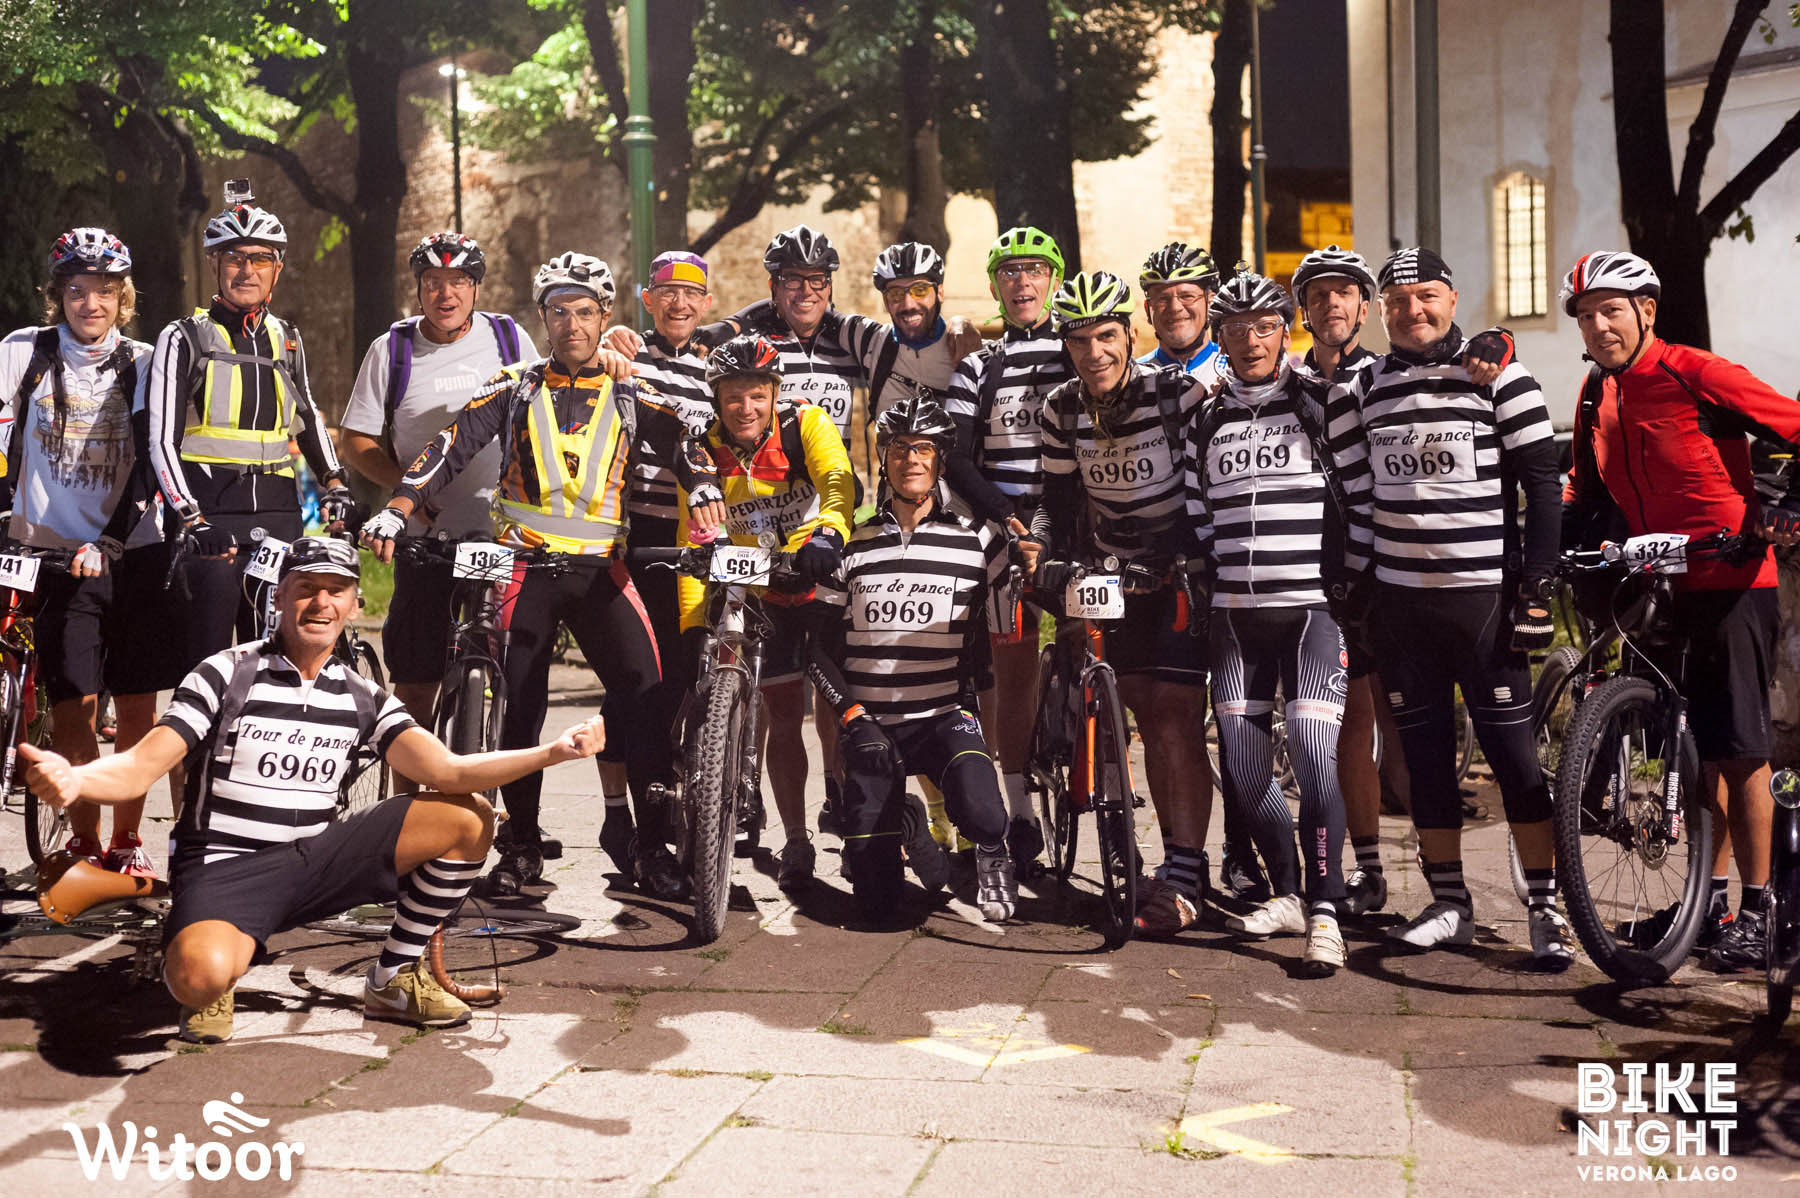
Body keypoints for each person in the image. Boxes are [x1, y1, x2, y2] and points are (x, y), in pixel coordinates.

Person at [21, 536, 605, 1042]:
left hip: (318, 860)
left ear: (355, 604)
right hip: (227, 868)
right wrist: (75, 779)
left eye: (336, 590)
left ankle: (393, 978)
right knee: (199, 979)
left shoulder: (362, 695)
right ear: (278, 596)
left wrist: (554, 751)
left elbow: (448, 770)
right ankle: (209, 959)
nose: (321, 603)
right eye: (305, 588)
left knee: (469, 817)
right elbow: (139, 767)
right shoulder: (225, 673)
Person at [360, 252, 675, 900]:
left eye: (584, 312)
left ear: (604, 316)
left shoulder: (631, 388)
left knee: (646, 691)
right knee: (520, 702)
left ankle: (650, 845)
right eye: (558, 312)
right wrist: (399, 507)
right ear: (543, 318)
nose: (571, 324)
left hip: (602, 569)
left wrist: (710, 495)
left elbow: (688, 445)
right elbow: (448, 447)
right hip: (524, 563)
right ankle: (522, 844)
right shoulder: (514, 385)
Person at [1560, 250, 1800, 973]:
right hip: (1659, 582)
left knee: (1741, 750)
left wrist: (1788, 505)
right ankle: (1708, 905)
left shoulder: (1696, 372)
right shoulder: (1595, 392)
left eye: (1611, 310)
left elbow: (1793, 424)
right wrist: (1556, 547)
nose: (1599, 326)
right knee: (1692, 752)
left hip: (1733, 578)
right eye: (1585, 315)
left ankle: (1761, 911)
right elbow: (1581, 485)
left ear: (1646, 312)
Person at [1343, 246, 1572, 967]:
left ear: (1452, 298)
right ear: (1382, 312)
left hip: (1484, 603)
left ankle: (1545, 909)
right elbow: (1359, 496)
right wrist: (1358, 589)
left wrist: (1537, 586)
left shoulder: (1499, 375)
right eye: (1397, 301)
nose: (1412, 310)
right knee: (1425, 763)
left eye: (1427, 296)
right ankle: (1449, 903)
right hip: (1402, 606)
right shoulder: (1365, 387)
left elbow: (1543, 484)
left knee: (1514, 761)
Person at [1184, 272, 1374, 974]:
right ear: (1220, 338)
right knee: (1242, 769)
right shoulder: (1205, 417)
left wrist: (1349, 583)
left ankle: (1326, 910)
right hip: (1236, 619)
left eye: (1264, 327)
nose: (1250, 341)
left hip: (1310, 615)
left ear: (1285, 331)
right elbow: (1198, 510)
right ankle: (1289, 892)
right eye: (1235, 330)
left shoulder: (1322, 402)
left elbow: (1360, 498)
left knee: (1316, 763)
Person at [1027, 271, 1213, 937]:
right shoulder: (1059, 409)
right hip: (1108, 573)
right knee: (1126, 711)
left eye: (1106, 336)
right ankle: (1128, 849)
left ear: (1129, 335)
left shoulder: (1176, 394)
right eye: (1079, 341)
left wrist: (1175, 554)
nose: (1094, 352)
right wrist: (1044, 553)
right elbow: (1055, 503)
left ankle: (1186, 871)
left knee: (1174, 716)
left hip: (1174, 572)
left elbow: (1204, 488)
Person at [0, 228, 173, 876]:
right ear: (59, 295)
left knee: (136, 705)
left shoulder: (147, 361)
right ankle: (82, 840)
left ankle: (127, 839)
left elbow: (155, 461)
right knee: (73, 702)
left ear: (123, 297)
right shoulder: (25, 350)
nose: (90, 304)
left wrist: (111, 540)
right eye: (77, 290)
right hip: (54, 550)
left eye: (104, 291)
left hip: (133, 550)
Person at [809, 396, 1017, 920]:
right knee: (877, 908)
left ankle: (993, 851)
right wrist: (852, 717)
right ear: (885, 456)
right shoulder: (852, 543)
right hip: (871, 728)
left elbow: (1006, 620)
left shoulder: (977, 542)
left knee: (985, 815)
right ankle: (905, 821)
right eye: (900, 448)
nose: (912, 459)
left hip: (943, 718)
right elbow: (815, 649)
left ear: (941, 460)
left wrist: (1045, 561)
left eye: (924, 448)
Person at [337, 232, 537, 760]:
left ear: (476, 288)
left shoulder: (509, 338)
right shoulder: (393, 349)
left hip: (502, 533)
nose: (445, 294)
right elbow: (355, 441)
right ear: (419, 288)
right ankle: (411, 796)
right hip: (426, 537)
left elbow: (545, 409)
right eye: (433, 282)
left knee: (516, 669)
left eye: (458, 282)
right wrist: (407, 489)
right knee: (417, 681)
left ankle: (501, 790)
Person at [676, 334, 854, 892]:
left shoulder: (806, 424)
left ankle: (852, 817)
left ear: (775, 394)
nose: (745, 408)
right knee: (783, 712)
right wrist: (692, 621)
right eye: (733, 397)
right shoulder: (703, 448)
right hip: (757, 586)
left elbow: (837, 481)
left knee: (839, 707)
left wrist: (830, 532)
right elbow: (692, 535)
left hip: (814, 572)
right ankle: (796, 839)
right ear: (717, 399)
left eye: (757, 395)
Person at [145, 184, 354, 660]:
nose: (247, 270)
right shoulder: (184, 337)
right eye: (234, 258)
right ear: (214, 264)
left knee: (279, 656)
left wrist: (336, 483)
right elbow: (160, 440)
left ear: (277, 267)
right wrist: (190, 517)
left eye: (260, 258)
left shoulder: (288, 338)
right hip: (209, 520)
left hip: (278, 516)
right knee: (208, 662)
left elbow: (307, 417)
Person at [943, 226, 1070, 872]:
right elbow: (957, 458)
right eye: (1009, 272)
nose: (1023, 281)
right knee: (1012, 673)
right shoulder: (979, 365)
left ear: (1055, 280)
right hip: (1005, 528)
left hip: (1071, 524)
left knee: (1098, 653)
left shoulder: (1080, 350)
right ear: (996, 286)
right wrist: (1007, 517)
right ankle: (1020, 811)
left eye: (1035, 270)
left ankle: (1108, 788)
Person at [1137, 242, 1229, 386]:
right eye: (1162, 299)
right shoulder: (1132, 381)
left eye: (1187, 296)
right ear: (1147, 309)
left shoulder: (1235, 372)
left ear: (1211, 303)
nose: (1175, 308)